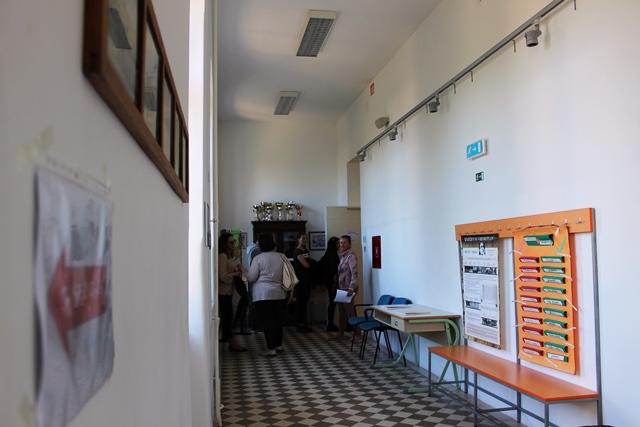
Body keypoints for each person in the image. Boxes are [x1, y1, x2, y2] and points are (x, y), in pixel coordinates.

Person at [242, 233, 287, 356]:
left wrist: (243, 269)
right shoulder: (281, 256)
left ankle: (271, 348)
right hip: (279, 292)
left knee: (268, 321)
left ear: (261, 244)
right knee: (277, 320)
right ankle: (278, 345)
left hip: (262, 294)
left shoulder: (258, 259)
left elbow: (252, 277)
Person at [217, 232, 248, 352]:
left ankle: (230, 340)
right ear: (224, 244)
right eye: (231, 242)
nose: (233, 244)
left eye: (234, 241)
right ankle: (230, 341)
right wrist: (235, 274)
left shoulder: (228, 255)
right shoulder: (222, 256)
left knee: (229, 316)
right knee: (226, 316)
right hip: (224, 292)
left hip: (229, 291)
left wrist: (235, 269)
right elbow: (223, 276)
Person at [334, 235, 358, 339]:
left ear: (349, 244)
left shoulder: (351, 256)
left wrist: (351, 288)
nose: (342, 245)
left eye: (345, 243)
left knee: (350, 312)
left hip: (349, 288)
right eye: (341, 243)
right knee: (342, 312)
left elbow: (354, 273)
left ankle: (358, 334)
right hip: (342, 288)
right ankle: (341, 333)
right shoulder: (344, 256)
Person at [292, 232, 313, 333]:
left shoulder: (305, 250)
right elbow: (307, 265)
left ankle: (304, 323)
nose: (305, 240)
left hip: (307, 279)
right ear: (298, 239)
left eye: (306, 238)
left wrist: (310, 262)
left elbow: (310, 261)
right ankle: (300, 324)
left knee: (304, 303)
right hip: (301, 280)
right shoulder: (297, 251)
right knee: (300, 303)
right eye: (303, 238)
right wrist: (309, 262)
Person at [318, 236, 340, 332]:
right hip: (332, 283)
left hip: (329, 282)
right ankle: (331, 324)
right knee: (333, 303)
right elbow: (333, 271)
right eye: (338, 244)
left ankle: (332, 324)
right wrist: (334, 284)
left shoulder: (328, 254)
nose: (339, 246)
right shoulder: (333, 256)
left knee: (333, 302)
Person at [245, 239, 262, 332]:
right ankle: (255, 325)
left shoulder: (252, 249)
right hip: (256, 280)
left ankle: (254, 324)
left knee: (253, 302)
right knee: (255, 303)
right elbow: (256, 267)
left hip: (254, 279)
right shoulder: (256, 250)